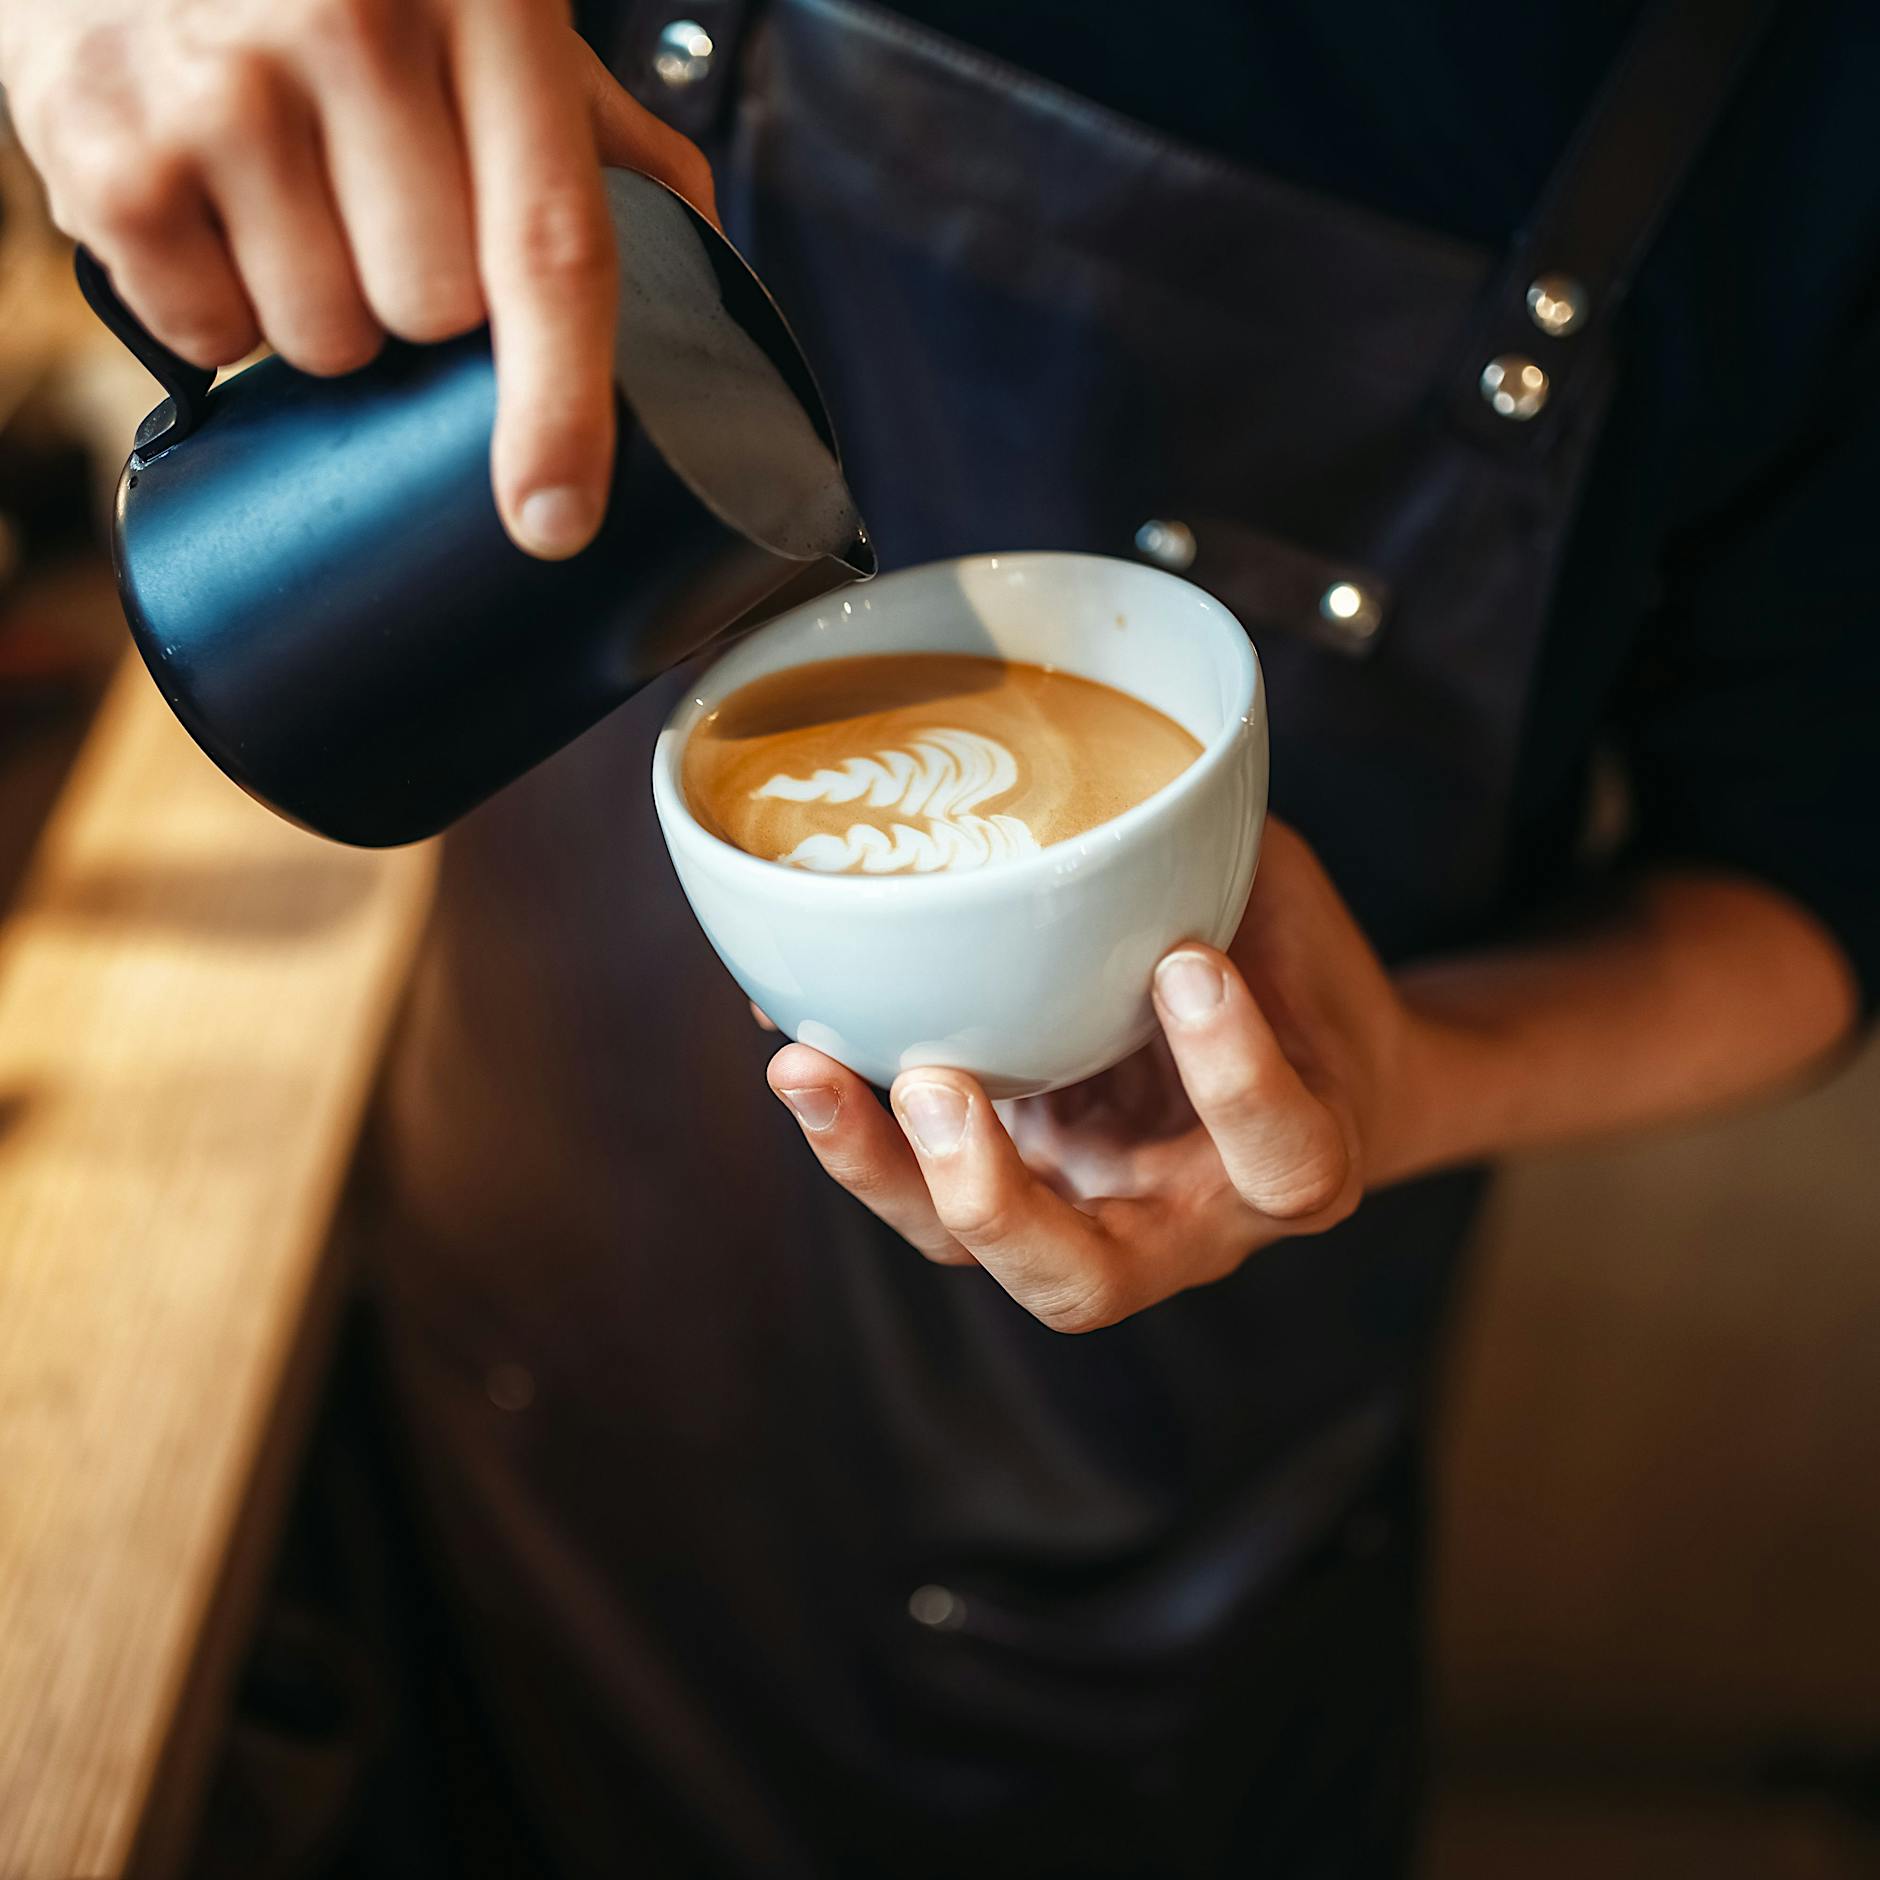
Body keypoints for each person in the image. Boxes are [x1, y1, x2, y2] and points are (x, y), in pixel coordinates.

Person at [5, 0, 1875, 1872]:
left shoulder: (1798, 88)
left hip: (1137, 1549)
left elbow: (1809, 871)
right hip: (501, 1348)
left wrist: (1416, 1077)